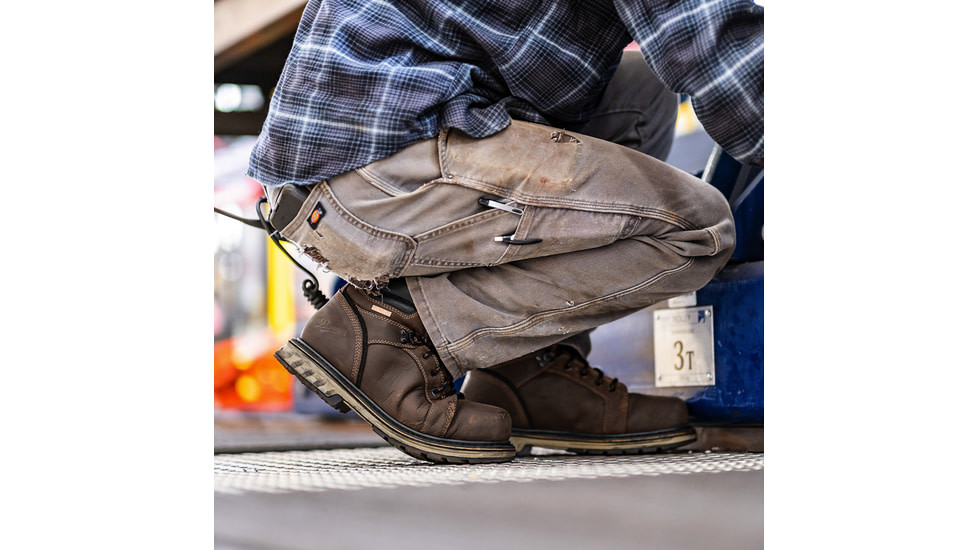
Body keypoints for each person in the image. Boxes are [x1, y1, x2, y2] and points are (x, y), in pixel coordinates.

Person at [248, 0, 764, 464]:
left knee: (640, 92)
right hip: (373, 168)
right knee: (698, 229)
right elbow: (719, 58)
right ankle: (393, 326)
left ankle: (525, 368)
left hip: (364, 142)